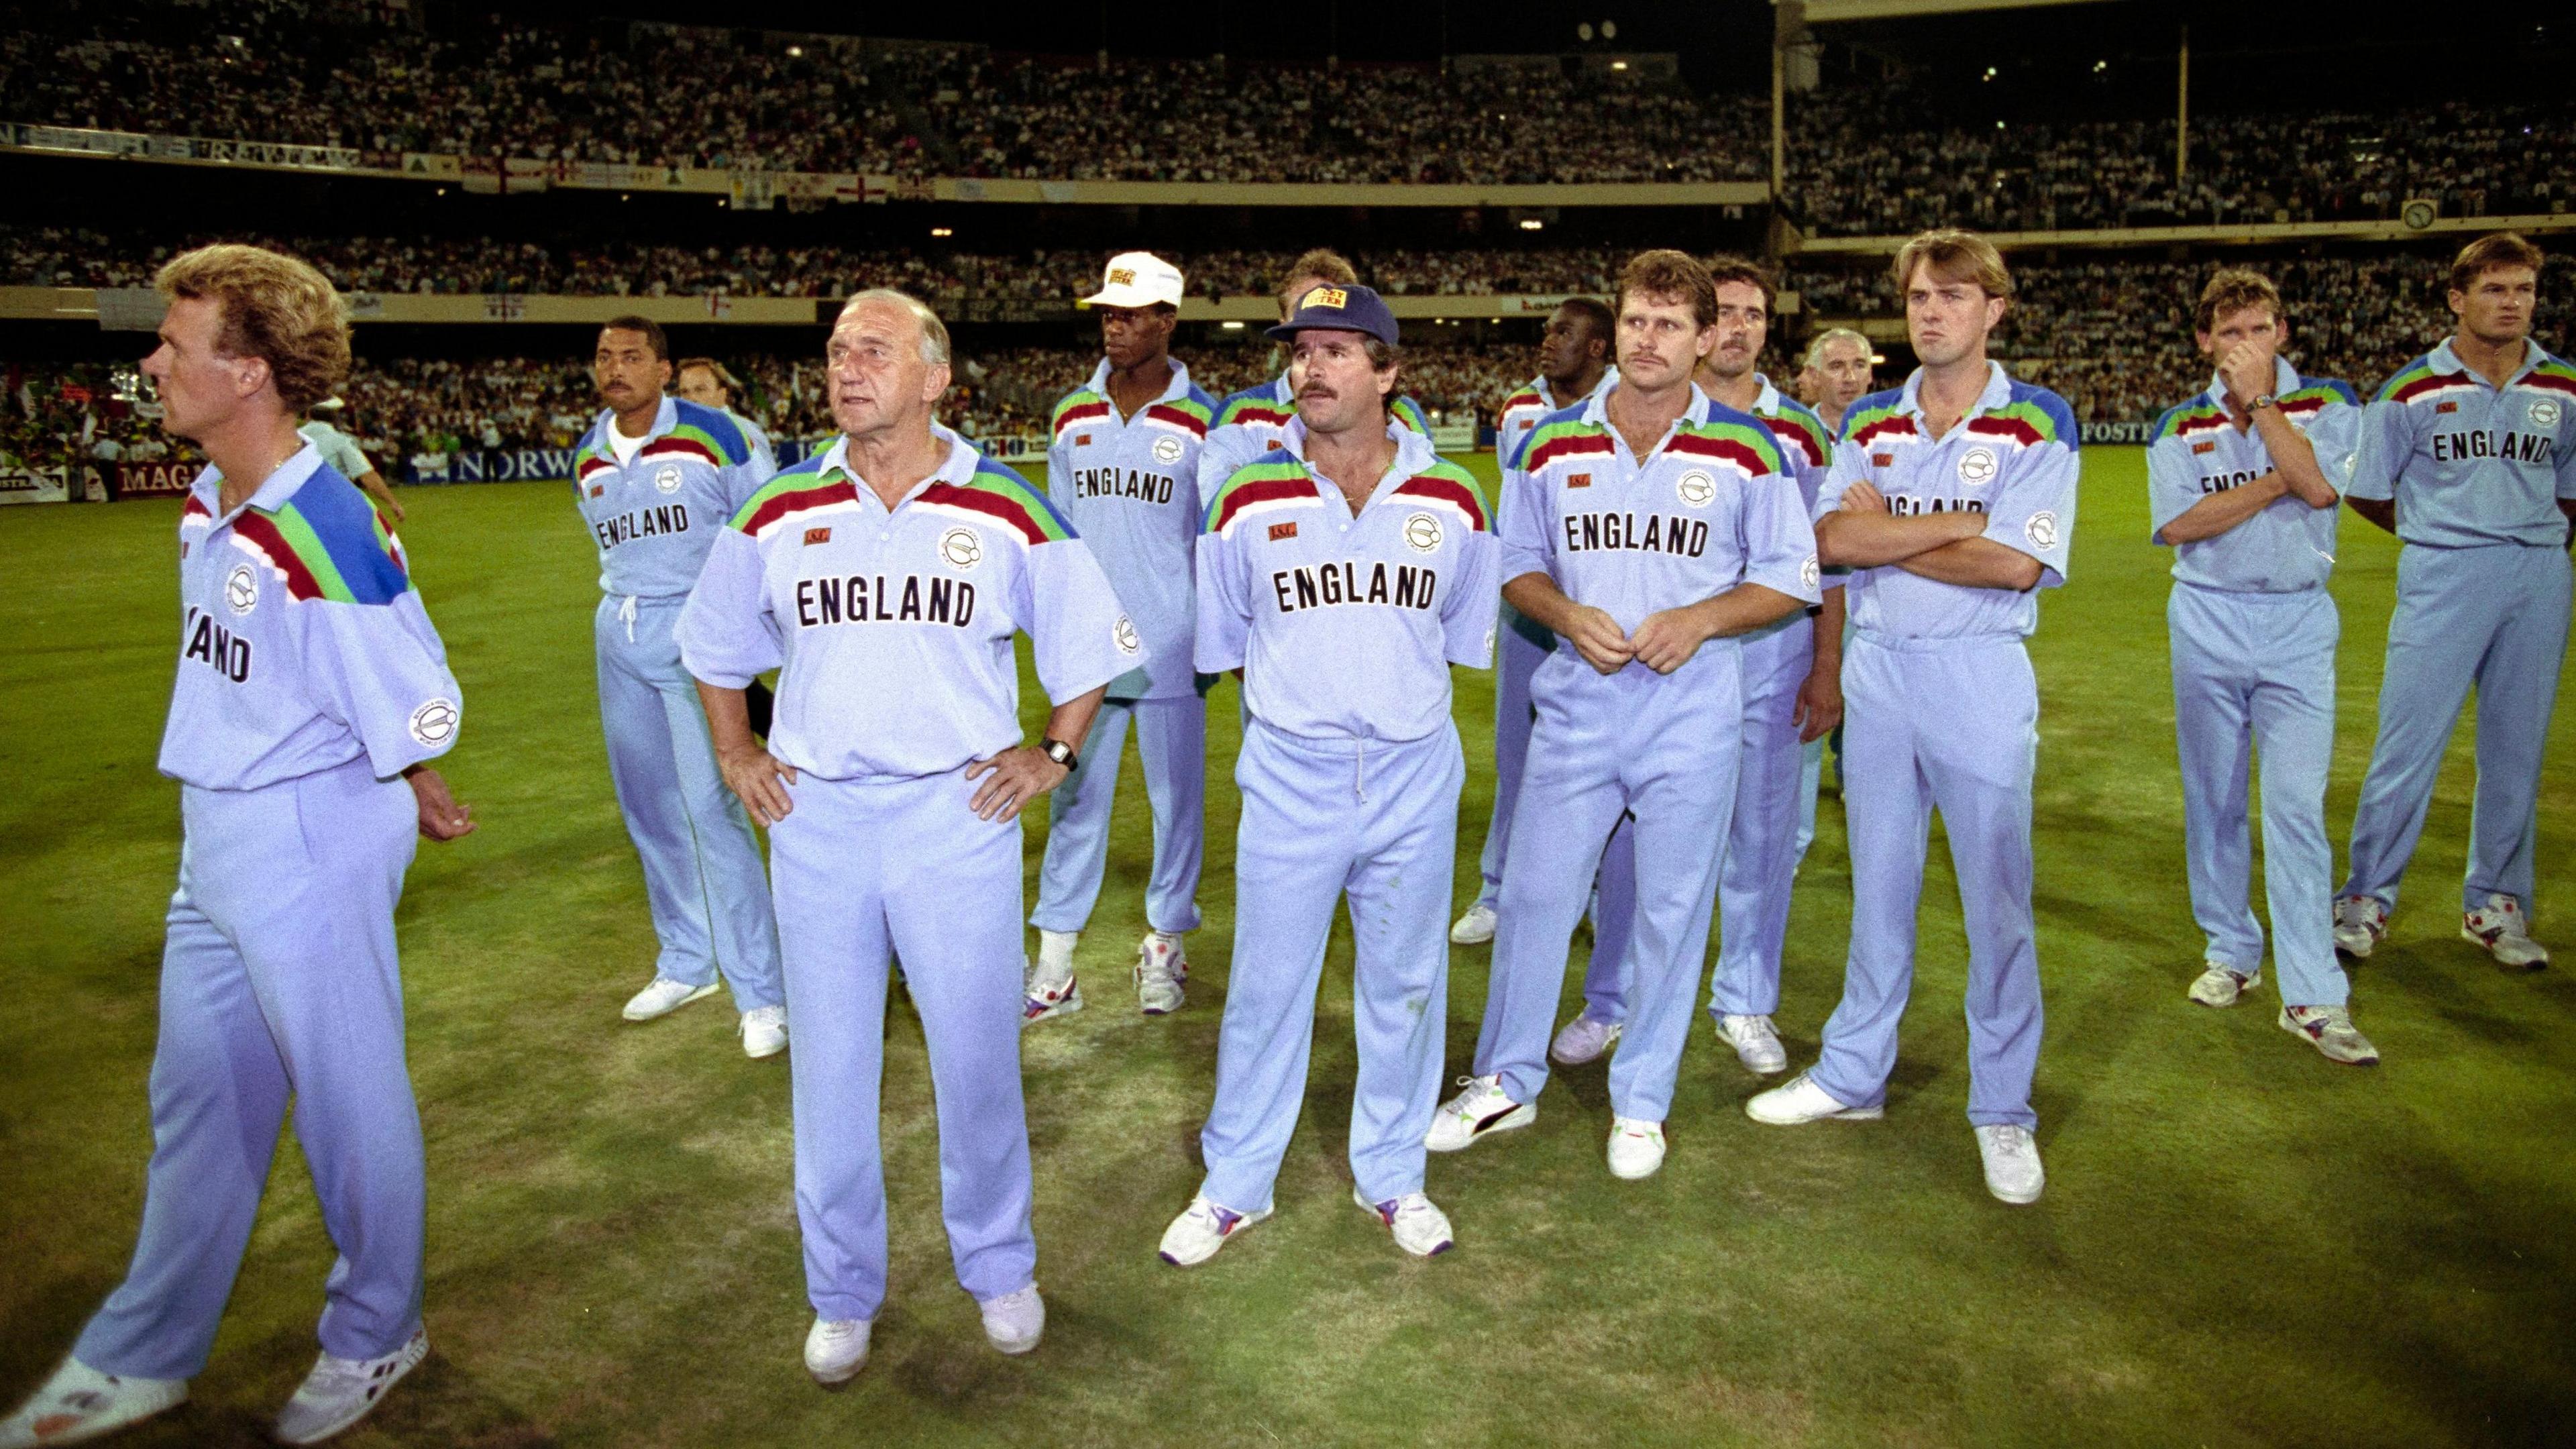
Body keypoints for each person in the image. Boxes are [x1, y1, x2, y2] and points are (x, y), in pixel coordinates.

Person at [0, 244, 474, 1448]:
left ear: (251, 371)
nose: (153, 361)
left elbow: (422, 697)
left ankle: (379, 1329)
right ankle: (143, 1351)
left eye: (175, 344)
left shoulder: (320, 524)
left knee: (347, 1103)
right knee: (200, 1101)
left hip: (305, 837)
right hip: (217, 833)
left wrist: (403, 765)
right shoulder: (214, 494)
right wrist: (401, 769)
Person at [678, 288, 1134, 1380]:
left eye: (874, 351)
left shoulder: (1007, 505)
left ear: (934, 379)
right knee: (830, 1069)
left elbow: (1092, 643)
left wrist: (1053, 753)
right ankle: (841, 1290)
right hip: (819, 820)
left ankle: (999, 1265)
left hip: (953, 816)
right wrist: (738, 752)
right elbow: (714, 644)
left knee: (977, 1060)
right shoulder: (779, 507)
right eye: (838, 351)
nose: (847, 367)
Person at [1428, 251, 1817, 1181]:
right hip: (1578, 707)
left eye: (1670, 325)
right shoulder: (1550, 441)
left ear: (1704, 338)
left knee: (1673, 910)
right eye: (1637, 320)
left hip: (1693, 712)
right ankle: (1504, 1080)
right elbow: (1516, 564)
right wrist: (1565, 615)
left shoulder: (1750, 447)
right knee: (1536, 897)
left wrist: (1703, 618)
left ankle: (1643, 1101)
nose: (1649, 340)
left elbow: (1792, 576)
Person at [1160, 282, 1497, 1265]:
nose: (1311, 367)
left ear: (1388, 373)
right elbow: (1226, 640)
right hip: (1290, 772)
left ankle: (1392, 1174)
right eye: (1301, 350)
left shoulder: (1453, 497)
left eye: (1338, 350)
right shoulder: (1243, 495)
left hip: (1411, 772)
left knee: (1404, 984)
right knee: (1267, 987)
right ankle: (1236, 1183)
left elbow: (1460, 635)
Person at [1746, 229, 2078, 1209]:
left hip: (1979, 672)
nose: (1932, 313)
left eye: (1954, 296)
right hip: (1882, 671)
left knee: (1996, 899)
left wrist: (1886, 532)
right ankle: (1854, 1072)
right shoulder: (1873, 419)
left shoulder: (2038, 418)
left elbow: (2016, 564)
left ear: (1994, 310)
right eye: (1921, 298)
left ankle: (2003, 1106)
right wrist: (1956, 526)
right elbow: (1828, 540)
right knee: (1879, 887)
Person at [1550, 257, 1844, 1076]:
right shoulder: (1639, 414)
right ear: (1704, 329)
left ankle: (1744, 999)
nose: (1741, 328)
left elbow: (1821, 564)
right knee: (1628, 843)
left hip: (1770, 659)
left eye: (1755, 314)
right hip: (1656, 670)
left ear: (1761, 329)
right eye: (1731, 312)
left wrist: (1826, 665)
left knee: (1763, 836)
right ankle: (1611, 999)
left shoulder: (1799, 432)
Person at [2147, 268, 2376, 1063]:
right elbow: (2180, 524)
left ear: (2282, 333)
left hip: (2297, 620)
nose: (2244, 345)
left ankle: (2313, 995)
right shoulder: (2179, 423)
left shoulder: (2331, 403)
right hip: (2205, 616)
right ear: (2204, 341)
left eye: (2258, 329)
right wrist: (2281, 477)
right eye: (2229, 332)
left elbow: (2320, 492)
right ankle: (2231, 950)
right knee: (2213, 797)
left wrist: (2267, 412)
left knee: (2295, 807)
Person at [2334, 232, 2573, 969]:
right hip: (2443, 573)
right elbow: (2368, 491)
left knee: (2517, 748)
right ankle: (2366, 899)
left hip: (2538, 574)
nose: (2512, 303)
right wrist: (2443, 531)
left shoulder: (2564, 386)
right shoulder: (2410, 388)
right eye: (2495, 289)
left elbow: (2571, 490)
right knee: (2408, 745)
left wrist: (2524, 538)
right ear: (2457, 300)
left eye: (2524, 289)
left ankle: (2497, 904)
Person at [572, 315, 787, 1055]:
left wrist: (753, 636)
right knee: (651, 811)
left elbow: (768, 527)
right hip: (620, 629)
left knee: (712, 808)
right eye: (605, 357)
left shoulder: (717, 435)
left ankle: (763, 992)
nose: (616, 368)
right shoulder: (588, 454)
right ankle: (688, 962)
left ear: (663, 370)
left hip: (696, 636)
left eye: (632, 356)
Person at [1025, 252, 1216, 1020]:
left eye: (1130, 315)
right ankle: (1056, 964)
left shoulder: (1206, 420)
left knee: (1176, 808)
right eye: (1107, 313)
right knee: (1072, 801)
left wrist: (1214, 639)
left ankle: (1164, 945)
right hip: (1090, 652)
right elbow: (1059, 541)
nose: (1114, 326)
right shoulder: (1072, 413)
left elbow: (1213, 542)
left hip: (1172, 644)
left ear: (1167, 321)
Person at [1450, 297, 1617, 949]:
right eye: (1547, 331)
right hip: (1530, 605)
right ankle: (1498, 890)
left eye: (1563, 332)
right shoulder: (1520, 409)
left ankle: (1599, 892)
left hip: (1605, 603)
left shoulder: (1629, 406)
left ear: (1598, 347)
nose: (1548, 341)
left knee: (1609, 758)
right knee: (1517, 754)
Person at [1195, 249, 1433, 510]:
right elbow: (1222, 513)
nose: (1315, 321)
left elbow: (1423, 505)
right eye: (1302, 312)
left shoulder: (1403, 414)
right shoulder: (1241, 413)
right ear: (1284, 324)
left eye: (1329, 313)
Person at [672, 357, 780, 480]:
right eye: (684, 392)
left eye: (700, 390)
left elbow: (767, 484)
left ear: (722, 393)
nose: (691, 399)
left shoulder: (744, 431)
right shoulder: (681, 435)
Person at [301, 396, 405, 522]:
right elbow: (367, 475)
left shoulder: (293, 438)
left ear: (309, 415)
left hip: (297, 507)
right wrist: (393, 502)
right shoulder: (340, 440)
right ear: (334, 416)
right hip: (332, 505)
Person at [1803, 327, 1877, 439]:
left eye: (1859, 366)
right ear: (1815, 375)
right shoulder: (1794, 433)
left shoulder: (1895, 434)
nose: (1850, 378)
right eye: (1837, 367)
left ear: (1870, 374)